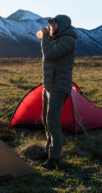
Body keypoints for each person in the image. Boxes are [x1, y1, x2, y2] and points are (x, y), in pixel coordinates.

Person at [40, 15, 77, 170]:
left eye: (54, 23)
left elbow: (50, 55)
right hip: (48, 86)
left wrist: (44, 39)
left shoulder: (68, 40)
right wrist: (47, 38)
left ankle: (54, 158)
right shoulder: (56, 39)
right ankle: (48, 151)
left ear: (62, 25)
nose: (52, 26)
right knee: (46, 120)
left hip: (59, 87)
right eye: (51, 23)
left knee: (53, 121)